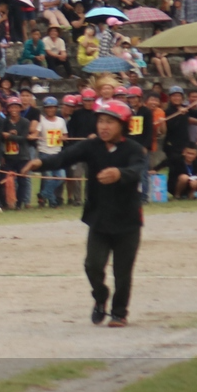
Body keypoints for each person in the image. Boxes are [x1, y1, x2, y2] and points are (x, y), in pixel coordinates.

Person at [24, 99, 148, 327]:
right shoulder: (91, 146)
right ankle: (100, 297)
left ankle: (119, 313)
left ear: (123, 124)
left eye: (110, 122)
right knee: (92, 265)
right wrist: (39, 163)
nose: (104, 126)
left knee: (123, 273)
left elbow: (138, 170)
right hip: (99, 219)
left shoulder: (133, 149)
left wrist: (119, 174)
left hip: (127, 221)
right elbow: (64, 157)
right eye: (101, 121)